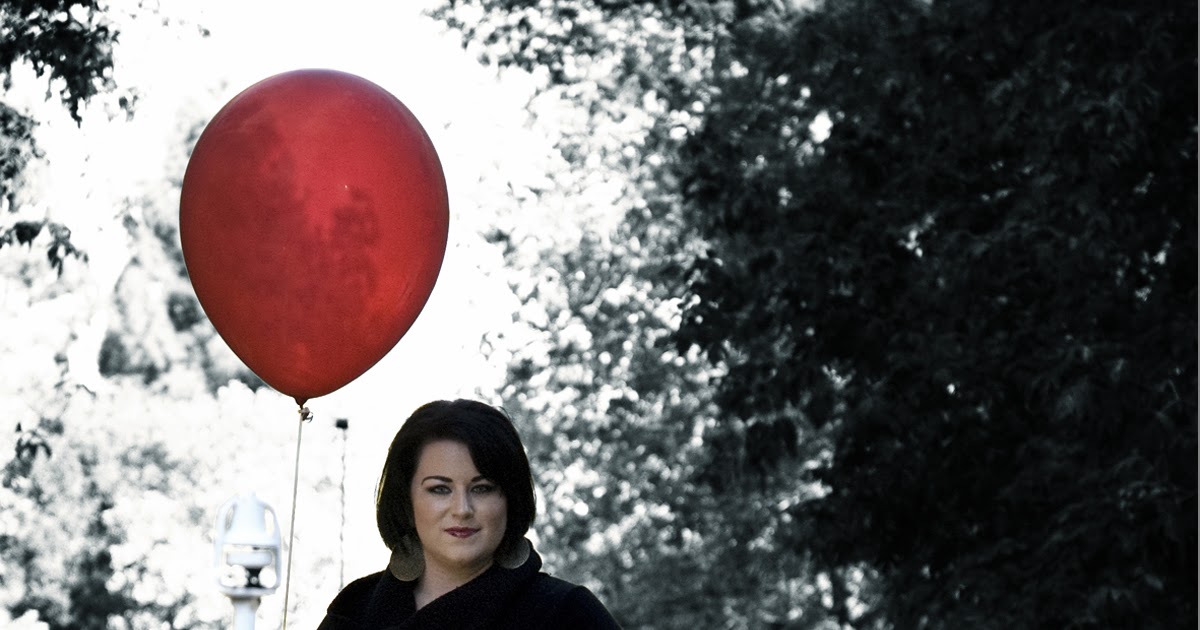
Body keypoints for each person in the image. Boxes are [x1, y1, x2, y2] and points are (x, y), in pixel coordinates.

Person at [317, 399, 622, 629]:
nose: (462, 509)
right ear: (406, 501)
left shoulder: (567, 614)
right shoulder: (355, 610)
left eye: (483, 488)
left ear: (509, 500)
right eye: (439, 489)